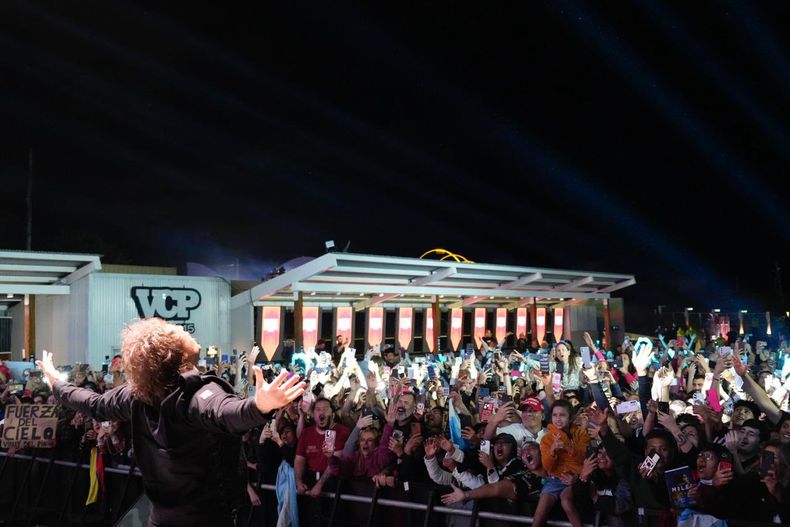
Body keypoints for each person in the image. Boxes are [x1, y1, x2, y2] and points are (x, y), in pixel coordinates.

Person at [35, 318, 305, 527]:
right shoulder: (196, 395)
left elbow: (93, 404)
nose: (187, 331)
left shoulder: (136, 394)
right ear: (172, 353)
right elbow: (226, 412)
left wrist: (57, 383)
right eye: (180, 332)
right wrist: (260, 406)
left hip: (161, 518)